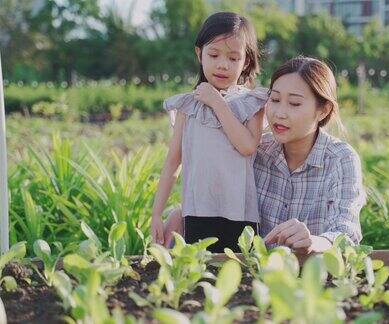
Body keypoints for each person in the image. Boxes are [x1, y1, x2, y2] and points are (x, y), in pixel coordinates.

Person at [161, 56, 366, 255]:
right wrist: (179, 215)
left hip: (314, 280)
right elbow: (217, 194)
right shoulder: (257, 150)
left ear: (323, 110)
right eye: (275, 100)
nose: (279, 113)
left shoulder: (340, 159)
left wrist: (315, 241)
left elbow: (346, 233)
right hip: (252, 277)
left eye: (294, 103)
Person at [149, 12, 268, 253]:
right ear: (199, 53)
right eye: (214, 55)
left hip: (240, 213)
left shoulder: (251, 102)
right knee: (199, 278)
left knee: (239, 278)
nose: (223, 64)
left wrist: (217, 103)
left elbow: (247, 146)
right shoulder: (188, 106)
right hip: (199, 211)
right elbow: (174, 161)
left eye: (233, 58)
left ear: (245, 62)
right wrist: (156, 213)